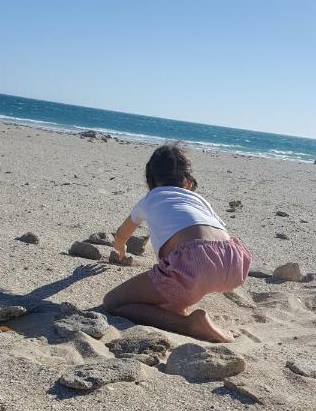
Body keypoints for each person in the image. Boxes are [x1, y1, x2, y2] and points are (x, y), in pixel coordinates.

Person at [103, 143, 251, 342]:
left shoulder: (151, 198)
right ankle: (179, 308)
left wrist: (120, 248)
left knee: (113, 302)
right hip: (234, 261)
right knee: (172, 296)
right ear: (188, 183)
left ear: (151, 181)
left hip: (193, 263)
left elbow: (123, 232)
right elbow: (215, 231)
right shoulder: (198, 200)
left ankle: (190, 324)